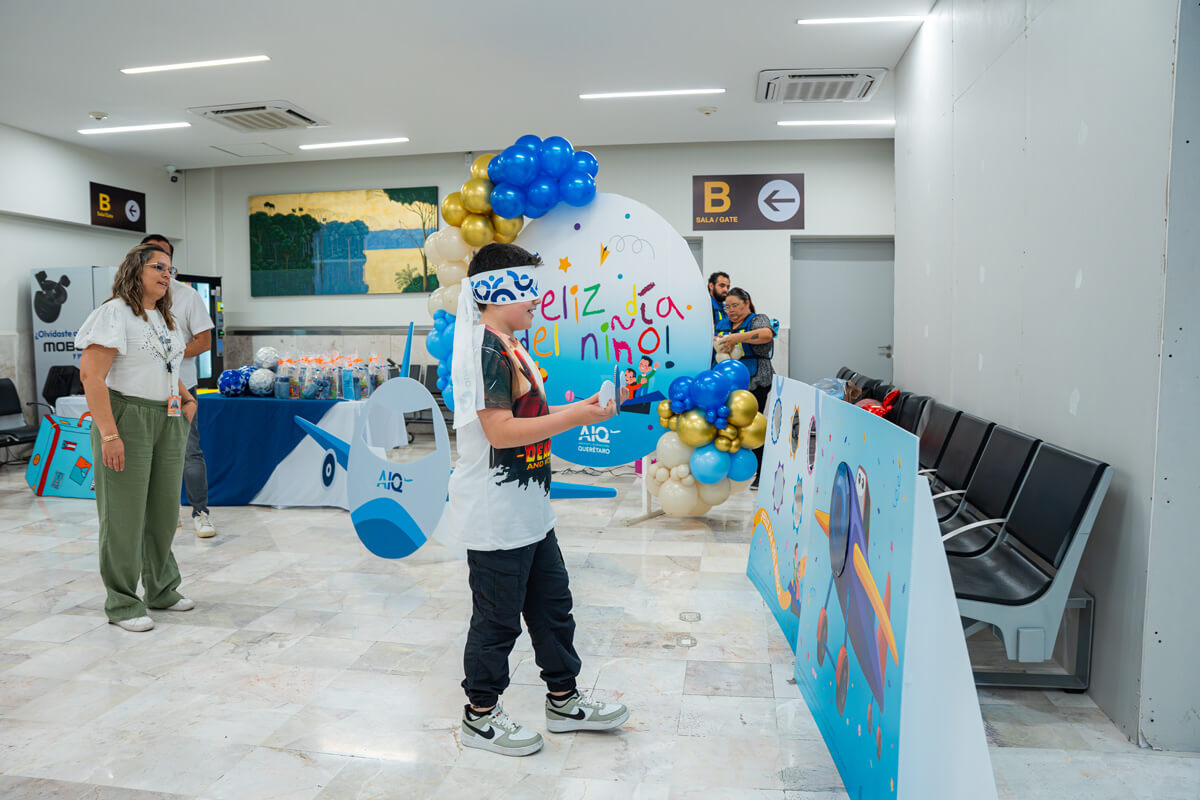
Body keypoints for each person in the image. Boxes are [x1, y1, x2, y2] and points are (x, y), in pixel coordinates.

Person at [438, 242, 629, 757]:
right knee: (497, 619)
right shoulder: (484, 350)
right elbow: (500, 432)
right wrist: (577, 418)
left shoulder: (511, 345)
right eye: (528, 287)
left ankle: (563, 701)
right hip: (495, 513)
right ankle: (479, 717)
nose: (537, 300)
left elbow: (525, 420)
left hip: (530, 509)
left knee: (552, 608)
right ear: (496, 289)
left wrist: (580, 407)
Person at [76, 242, 198, 632]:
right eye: (158, 267)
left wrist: (185, 394)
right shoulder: (114, 314)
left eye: (170, 269)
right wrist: (109, 434)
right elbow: (91, 377)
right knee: (123, 514)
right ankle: (123, 602)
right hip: (127, 418)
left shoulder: (164, 317)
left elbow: (165, 362)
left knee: (163, 511)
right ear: (135, 270)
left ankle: (161, 588)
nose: (166, 274)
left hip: (169, 417)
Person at [141, 234, 217, 538]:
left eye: (166, 264)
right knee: (148, 454)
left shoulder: (187, 296)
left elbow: (204, 340)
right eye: (154, 263)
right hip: (141, 390)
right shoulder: (128, 301)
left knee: (189, 452)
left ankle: (200, 513)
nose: (162, 270)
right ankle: (164, 513)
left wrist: (170, 352)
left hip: (180, 388)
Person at [715, 287, 775, 486]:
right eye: (727, 307)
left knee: (752, 424)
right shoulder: (722, 324)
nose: (730, 310)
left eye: (735, 306)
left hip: (756, 379)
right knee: (727, 424)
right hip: (728, 383)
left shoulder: (757, 320)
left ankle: (762, 472)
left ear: (746, 303)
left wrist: (735, 338)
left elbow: (766, 335)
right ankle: (728, 469)